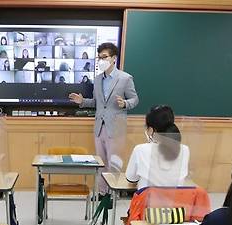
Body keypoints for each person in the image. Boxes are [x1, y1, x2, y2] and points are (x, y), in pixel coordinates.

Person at [69, 42, 139, 194]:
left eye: (104, 57)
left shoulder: (125, 78)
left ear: (114, 58)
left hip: (117, 127)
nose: (101, 60)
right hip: (99, 127)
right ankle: (102, 193)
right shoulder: (98, 79)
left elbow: (135, 99)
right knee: (101, 163)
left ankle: (112, 194)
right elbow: (96, 103)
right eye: (99, 57)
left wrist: (125, 103)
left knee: (114, 164)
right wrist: (82, 102)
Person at [125, 105, 189, 189]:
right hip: (175, 200)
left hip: (147, 201)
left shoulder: (140, 150)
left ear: (151, 130)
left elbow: (131, 179)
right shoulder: (184, 150)